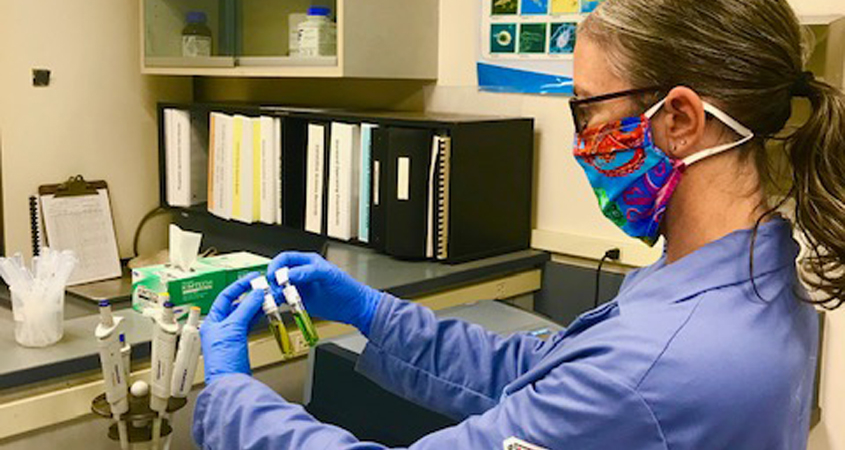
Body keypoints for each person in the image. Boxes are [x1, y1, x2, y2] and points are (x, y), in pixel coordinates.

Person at [192, 0, 845, 448]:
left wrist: (227, 395)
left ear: (678, 121)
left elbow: (596, 386)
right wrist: (373, 314)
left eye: (586, 110)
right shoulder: (751, 275)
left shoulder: (653, 367)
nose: (578, 142)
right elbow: (544, 370)